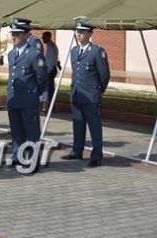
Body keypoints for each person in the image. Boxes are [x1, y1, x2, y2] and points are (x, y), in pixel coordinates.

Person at [61, 21, 110, 168]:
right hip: (77, 94)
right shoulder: (74, 51)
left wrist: (97, 90)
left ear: (90, 33)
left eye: (82, 31)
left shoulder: (96, 51)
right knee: (78, 124)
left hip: (91, 96)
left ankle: (96, 156)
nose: (79, 34)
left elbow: (104, 75)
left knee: (94, 126)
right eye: (77, 31)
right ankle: (77, 150)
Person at [6, 20, 48, 173]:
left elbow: (42, 78)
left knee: (31, 132)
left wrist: (35, 93)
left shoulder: (34, 55)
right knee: (16, 131)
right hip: (14, 99)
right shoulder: (11, 54)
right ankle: (17, 156)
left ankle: (33, 160)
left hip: (28, 100)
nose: (14, 37)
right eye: (12, 34)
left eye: (17, 34)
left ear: (25, 35)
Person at [41, 31, 59, 114]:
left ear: (48, 37)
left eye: (44, 37)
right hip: (50, 69)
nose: (42, 38)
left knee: (47, 89)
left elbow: (50, 62)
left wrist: (47, 72)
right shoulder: (50, 46)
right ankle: (52, 105)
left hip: (50, 70)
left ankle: (48, 106)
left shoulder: (51, 47)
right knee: (50, 88)